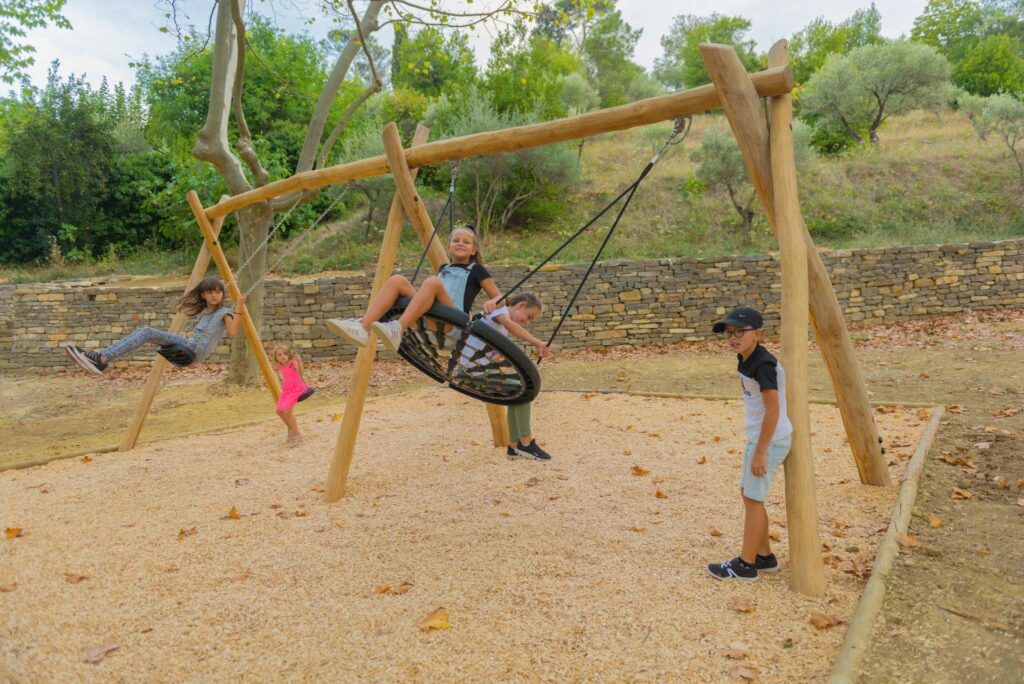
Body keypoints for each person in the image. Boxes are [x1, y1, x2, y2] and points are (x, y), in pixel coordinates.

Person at [707, 306, 793, 582]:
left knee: (754, 499)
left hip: (768, 441)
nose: (733, 338)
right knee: (749, 495)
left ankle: (746, 565)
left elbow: (773, 411)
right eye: (729, 333)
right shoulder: (746, 358)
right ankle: (764, 556)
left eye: (740, 332)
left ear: (758, 333)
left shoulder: (763, 364)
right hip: (760, 439)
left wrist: (760, 452)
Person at [326, 225, 501, 353]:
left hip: (453, 323)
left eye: (466, 242)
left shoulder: (477, 270)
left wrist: (493, 302)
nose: (460, 243)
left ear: (473, 250)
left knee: (432, 282)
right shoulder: (443, 268)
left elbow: (501, 299)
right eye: (456, 240)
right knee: (397, 280)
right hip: (431, 320)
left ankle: (397, 328)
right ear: (449, 246)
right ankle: (364, 328)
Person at [64, 277, 242, 374]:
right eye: (211, 292)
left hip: (192, 349)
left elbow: (233, 333)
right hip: (189, 349)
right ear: (203, 294)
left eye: (218, 292)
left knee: (147, 331)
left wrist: (239, 308)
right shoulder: (208, 312)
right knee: (144, 333)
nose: (215, 296)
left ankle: (101, 359)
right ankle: (100, 359)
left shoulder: (225, 312)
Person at [467, 292, 552, 460]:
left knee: (518, 392)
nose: (527, 322)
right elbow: (509, 324)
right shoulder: (500, 311)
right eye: (529, 316)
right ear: (521, 305)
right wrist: (537, 342)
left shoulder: (499, 319)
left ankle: (513, 446)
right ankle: (526, 443)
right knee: (524, 390)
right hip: (473, 372)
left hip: (477, 371)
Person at [272, 344, 315, 447]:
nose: (283, 356)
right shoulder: (280, 366)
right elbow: (273, 366)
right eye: (279, 355)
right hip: (287, 390)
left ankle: (297, 434)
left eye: (285, 354)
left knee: (287, 411)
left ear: (289, 355)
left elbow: (301, 373)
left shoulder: (293, 363)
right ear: (276, 357)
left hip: (297, 388)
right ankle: (291, 428)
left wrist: (299, 362)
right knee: (279, 411)